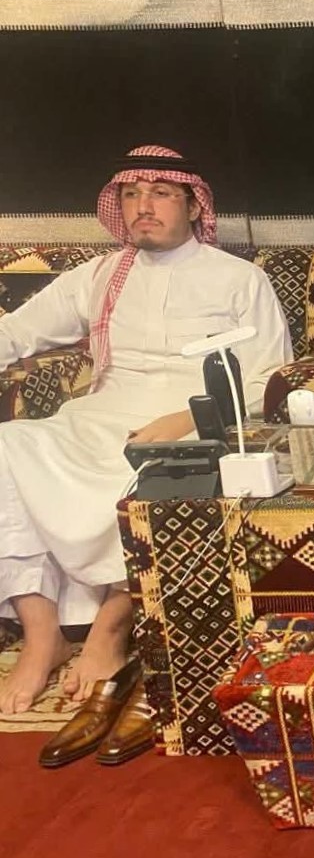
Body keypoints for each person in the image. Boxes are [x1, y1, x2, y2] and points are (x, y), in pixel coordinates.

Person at [0, 145, 293, 715]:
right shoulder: (99, 275)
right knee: (7, 446)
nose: (143, 207)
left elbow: (268, 379)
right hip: (100, 413)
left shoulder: (239, 279)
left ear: (193, 205)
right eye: (131, 194)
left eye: (160, 194)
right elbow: (17, 331)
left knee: (164, 466)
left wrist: (185, 419)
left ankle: (109, 632)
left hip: (195, 418)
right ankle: (42, 635)